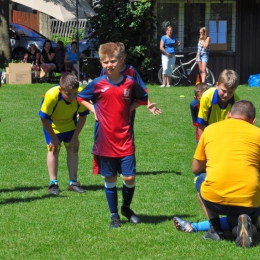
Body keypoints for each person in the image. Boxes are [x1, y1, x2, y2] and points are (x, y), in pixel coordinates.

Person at [77, 42, 148, 228]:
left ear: (120, 60)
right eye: (105, 62)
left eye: (113, 61)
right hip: (105, 141)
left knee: (129, 177)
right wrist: (94, 111)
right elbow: (80, 97)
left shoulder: (130, 82)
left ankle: (126, 207)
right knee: (110, 179)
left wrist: (129, 109)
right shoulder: (97, 84)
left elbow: (143, 98)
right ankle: (114, 215)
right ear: (101, 63)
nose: (109, 65)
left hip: (125, 138)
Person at [182, 100, 260, 248]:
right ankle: (247, 226)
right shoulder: (258, 133)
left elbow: (195, 168)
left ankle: (216, 230)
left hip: (215, 199)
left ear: (229, 115)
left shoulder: (210, 130)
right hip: (248, 201)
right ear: (253, 121)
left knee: (200, 179)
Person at [39, 72, 88, 195]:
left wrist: (75, 137)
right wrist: (53, 137)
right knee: (53, 149)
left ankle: (73, 182)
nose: (72, 97)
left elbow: (82, 117)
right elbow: (43, 118)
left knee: (73, 148)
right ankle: (53, 183)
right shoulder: (51, 95)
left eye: (74, 93)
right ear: (61, 90)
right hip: (52, 125)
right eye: (68, 94)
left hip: (70, 124)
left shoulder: (81, 94)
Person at [197, 69, 240, 139]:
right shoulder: (207, 97)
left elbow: (236, 126)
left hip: (225, 132)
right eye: (223, 91)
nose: (226, 95)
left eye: (230, 92)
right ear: (217, 85)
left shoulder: (236, 102)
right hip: (208, 129)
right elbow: (201, 124)